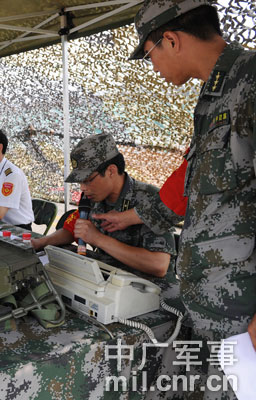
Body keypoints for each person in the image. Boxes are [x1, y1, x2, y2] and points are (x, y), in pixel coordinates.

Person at [99, 1, 256, 396]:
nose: (152, 67)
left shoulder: (250, 83)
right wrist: (130, 218)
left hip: (242, 320)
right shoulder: (215, 96)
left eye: (150, 55)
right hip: (209, 305)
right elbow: (190, 186)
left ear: (171, 39)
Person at [31, 134, 177, 292]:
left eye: (88, 180)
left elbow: (159, 265)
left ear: (111, 171)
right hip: (105, 280)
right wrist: (43, 242)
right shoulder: (91, 197)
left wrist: (98, 239)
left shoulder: (150, 199)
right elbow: (75, 228)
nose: (82, 188)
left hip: (148, 292)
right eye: (80, 181)